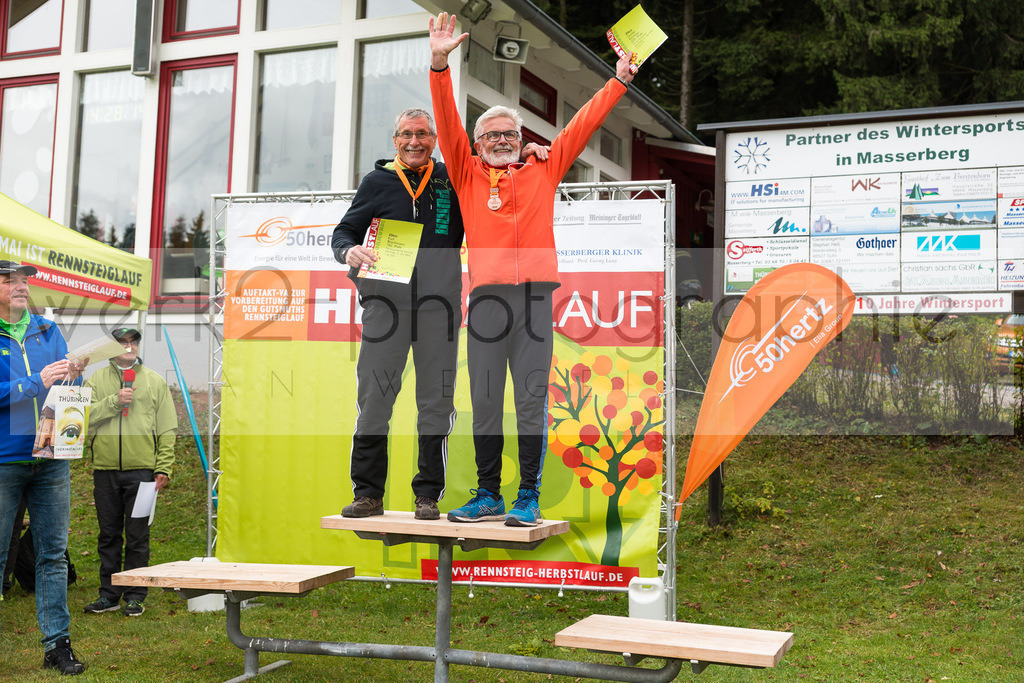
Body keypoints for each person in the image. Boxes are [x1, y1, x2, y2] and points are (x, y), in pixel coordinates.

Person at [428, 13, 637, 526]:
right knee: (484, 401)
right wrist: (439, 65)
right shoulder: (465, 171)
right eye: (491, 134)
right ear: (477, 144)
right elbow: (449, 122)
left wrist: (619, 80)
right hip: (486, 303)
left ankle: (526, 496)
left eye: (509, 133)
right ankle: (486, 494)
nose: (500, 139)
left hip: (536, 300)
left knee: (529, 402)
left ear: (522, 139)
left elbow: (584, 123)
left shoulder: (546, 167)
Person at [0, 259, 86, 675]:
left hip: (51, 459)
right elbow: (31, 386)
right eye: (9, 280)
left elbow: (69, 390)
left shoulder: (49, 330)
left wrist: (75, 376)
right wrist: (36, 382)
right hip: (3, 461)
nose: (20, 286)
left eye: (24, 280)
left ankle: (58, 646)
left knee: (52, 555)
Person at [82, 326, 176, 617]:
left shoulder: (155, 382)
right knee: (108, 534)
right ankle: (109, 594)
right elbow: (83, 417)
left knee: (137, 536)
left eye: (133, 342)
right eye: (122, 342)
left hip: (143, 473)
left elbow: (168, 428)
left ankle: (135, 595)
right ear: (112, 348)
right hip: (105, 471)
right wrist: (114, 402)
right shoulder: (95, 380)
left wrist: (163, 466)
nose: (128, 347)